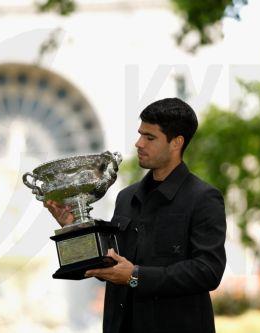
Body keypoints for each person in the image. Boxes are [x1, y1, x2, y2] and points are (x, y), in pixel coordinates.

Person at [44, 97, 226, 333]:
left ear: (176, 142)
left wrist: (136, 276)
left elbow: (208, 271)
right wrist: (75, 227)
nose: (139, 143)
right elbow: (108, 265)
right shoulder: (126, 198)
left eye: (150, 137)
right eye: (140, 134)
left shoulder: (203, 198)